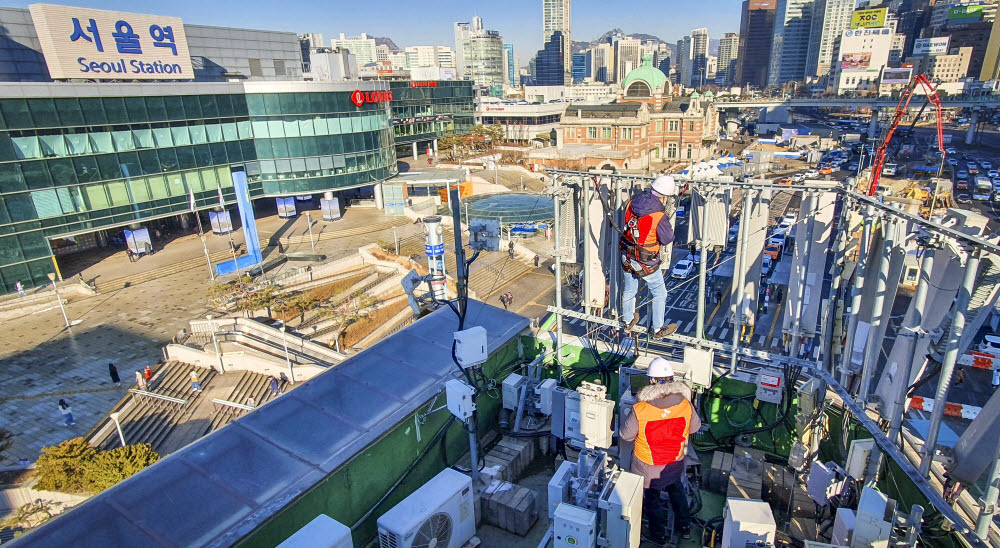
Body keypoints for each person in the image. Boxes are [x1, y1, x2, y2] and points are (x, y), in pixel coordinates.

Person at [620, 358, 700, 543]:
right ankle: (685, 527)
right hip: (674, 463)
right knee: (676, 489)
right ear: (672, 379)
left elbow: (625, 435)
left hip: (647, 466)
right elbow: (694, 428)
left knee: (652, 500)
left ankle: (658, 535)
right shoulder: (685, 405)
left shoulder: (641, 408)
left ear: (651, 381)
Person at [619, 176, 679, 338]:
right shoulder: (658, 215)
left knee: (630, 288)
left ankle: (627, 320)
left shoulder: (632, 203)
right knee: (660, 293)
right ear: (665, 197)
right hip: (645, 259)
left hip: (626, 253)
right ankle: (658, 329)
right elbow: (667, 239)